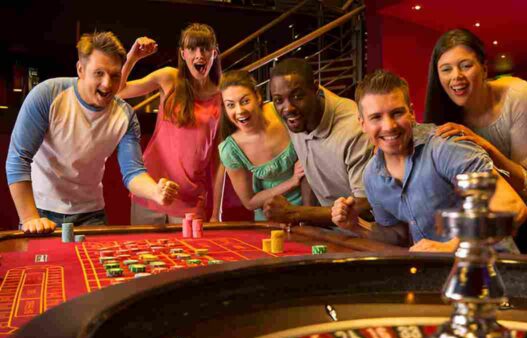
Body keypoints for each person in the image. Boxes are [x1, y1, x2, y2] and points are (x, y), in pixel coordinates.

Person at [332, 70, 527, 252]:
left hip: (493, 270)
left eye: (397, 113)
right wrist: (356, 226)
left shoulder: (444, 146)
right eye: (376, 117)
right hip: (438, 275)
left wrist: (452, 246)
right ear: (362, 123)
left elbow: (512, 207)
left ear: (411, 113)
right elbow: (399, 236)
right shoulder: (372, 176)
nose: (389, 126)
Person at [5, 31, 179, 234]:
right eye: (99, 73)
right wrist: (30, 218)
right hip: (41, 213)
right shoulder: (46, 95)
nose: (107, 84)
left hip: (91, 215)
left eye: (115, 75)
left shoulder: (126, 115)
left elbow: (133, 173)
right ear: (81, 69)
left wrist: (155, 192)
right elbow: (18, 159)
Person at [424, 28, 527, 256]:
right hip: (496, 209)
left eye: (465, 65)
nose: (456, 76)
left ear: (484, 68)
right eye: (446, 69)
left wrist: (481, 144)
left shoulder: (522, 96)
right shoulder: (445, 115)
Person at [118, 23, 224, 224]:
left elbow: (219, 160)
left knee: (190, 256)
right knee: (142, 255)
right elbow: (119, 91)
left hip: (190, 202)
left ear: (214, 53)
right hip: (150, 191)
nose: (199, 55)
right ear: (183, 54)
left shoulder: (221, 97)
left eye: (204, 48)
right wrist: (132, 58)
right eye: (192, 49)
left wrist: (216, 213)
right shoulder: (169, 78)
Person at [264, 58, 373, 225]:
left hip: (365, 233)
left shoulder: (353, 129)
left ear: (315, 89)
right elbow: (310, 171)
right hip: (331, 230)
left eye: (297, 96)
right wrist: (307, 223)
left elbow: (365, 206)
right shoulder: (297, 119)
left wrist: (295, 213)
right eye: (279, 100)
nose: (288, 108)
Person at [218, 70, 304, 220]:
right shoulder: (230, 150)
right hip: (272, 215)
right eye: (230, 105)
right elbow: (250, 202)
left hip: (311, 203)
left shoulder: (280, 110)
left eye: (245, 101)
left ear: (257, 97)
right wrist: (292, 182)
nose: (239, 111)